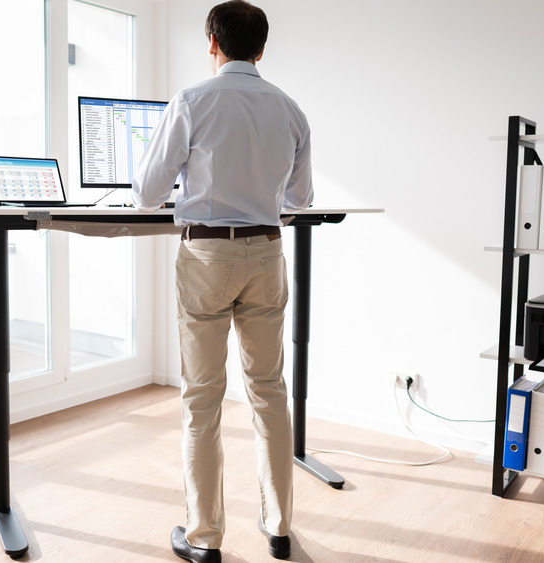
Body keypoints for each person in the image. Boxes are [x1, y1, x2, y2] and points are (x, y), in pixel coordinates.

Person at [131, 1, 313, 561]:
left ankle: (205, 538)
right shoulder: (290, 110)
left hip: (207, 255)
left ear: (212, 41)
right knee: (269, 391)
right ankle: (279, 527)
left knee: (202, 399)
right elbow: (300, 201)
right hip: (266, 253)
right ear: (261, 49)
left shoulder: (191, 101)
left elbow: (145, 194)